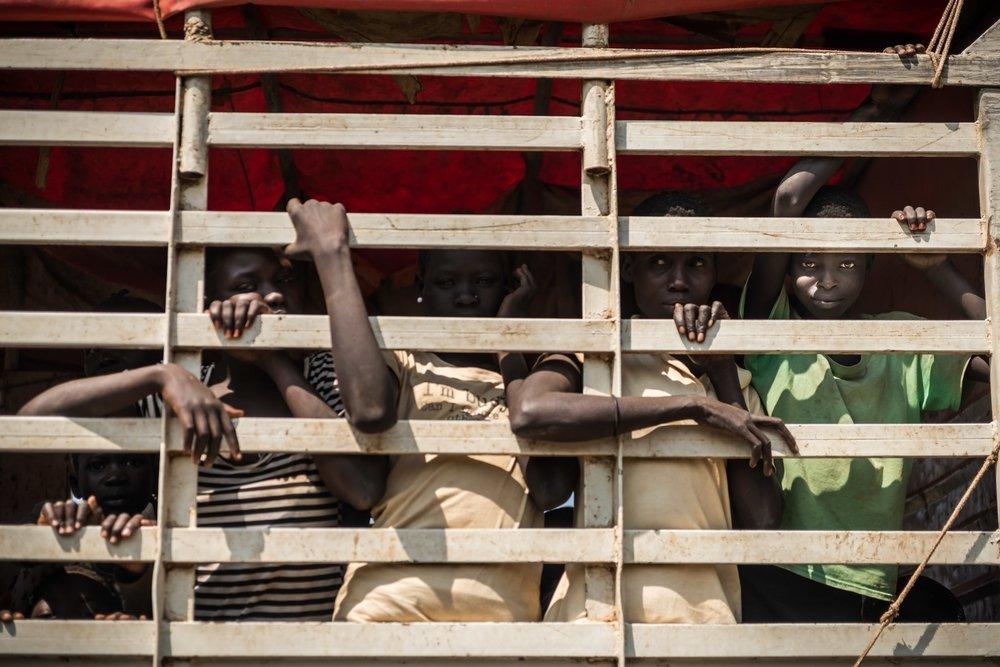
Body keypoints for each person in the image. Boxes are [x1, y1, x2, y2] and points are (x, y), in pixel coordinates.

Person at [15, 199, 399, 621]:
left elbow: (362, 488)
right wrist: (159, 377)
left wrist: (274, 363)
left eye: (282, 279)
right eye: (245, 284)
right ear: (208, 307)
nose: (272, 294)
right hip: (204, 642)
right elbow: (30, 422)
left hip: (310, 639)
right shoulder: (182, 395)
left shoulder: (319, 372)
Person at [738, 77, 989, 621]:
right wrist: (879, 111)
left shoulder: (900, 339)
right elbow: (787, 198)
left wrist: (937, 266)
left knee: (943, 618)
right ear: (785, 272)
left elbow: (992, 357)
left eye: (848, 264)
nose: (826, 281)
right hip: (784, 573)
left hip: (874, 578)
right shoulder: (769, 329)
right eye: (808, 264)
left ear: (873, 269)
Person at [507, 192, 797, 625]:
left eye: (696, 263)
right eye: (659, 262)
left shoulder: (732, 385)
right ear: (629, 269)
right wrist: (690, 407)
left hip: (703, 622)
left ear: (714, 271)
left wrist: (721, 373)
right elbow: (531, 411)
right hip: (593, 616)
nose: (679, 281)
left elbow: (762, 518)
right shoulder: (596, 359)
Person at [330, 248, 578, 622]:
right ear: (421, 287)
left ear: (511, 286)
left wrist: (505, 345)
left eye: (484, 282)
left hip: (501, 620)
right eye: (447, 283)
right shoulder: (403, 360)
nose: (466, 296)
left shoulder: (532, 384)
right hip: (388, 602)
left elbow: (550, 490)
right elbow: (368, 409)